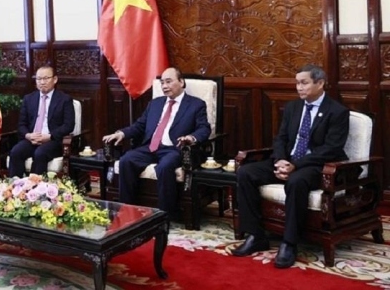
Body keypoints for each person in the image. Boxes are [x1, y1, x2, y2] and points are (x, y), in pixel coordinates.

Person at [231, 64, 349, 269]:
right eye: (297, 83)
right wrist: (280, 160)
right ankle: (255, 235)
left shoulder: (337, 111)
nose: (299, 87)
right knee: (246, 172)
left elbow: (331, 148)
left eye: (304, 83)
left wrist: (295, 165)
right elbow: (281, 138)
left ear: (320, 83)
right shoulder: (293, 107)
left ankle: (289, 242)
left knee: (296, 182)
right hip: (288, 160)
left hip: (315, 165)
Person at [102, 67, 210, 213]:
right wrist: (122, 133)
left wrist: (191, 138)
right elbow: (139, 125)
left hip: (175, 149)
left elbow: (204, 129)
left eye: (169, 82)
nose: (164, 86)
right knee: (126, 160)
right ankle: (128, 210)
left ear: (181, 82)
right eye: (162, 83)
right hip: (151, 147)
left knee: (164, 166)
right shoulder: (155, 103)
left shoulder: (196, 104)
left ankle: (166, 214)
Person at [8, 65, 75, 178]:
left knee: (40, 153)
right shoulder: (29, 99)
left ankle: (36, 190)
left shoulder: (64, 99)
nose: (42, 82)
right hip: (32, 139)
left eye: (46, 78)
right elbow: (21, 124)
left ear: (55, 79)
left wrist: (49, 136)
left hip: (52, 140)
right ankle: (15, 187)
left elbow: (69, 125)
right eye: (39, 79)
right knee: (16, 152)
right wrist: (28, 135)